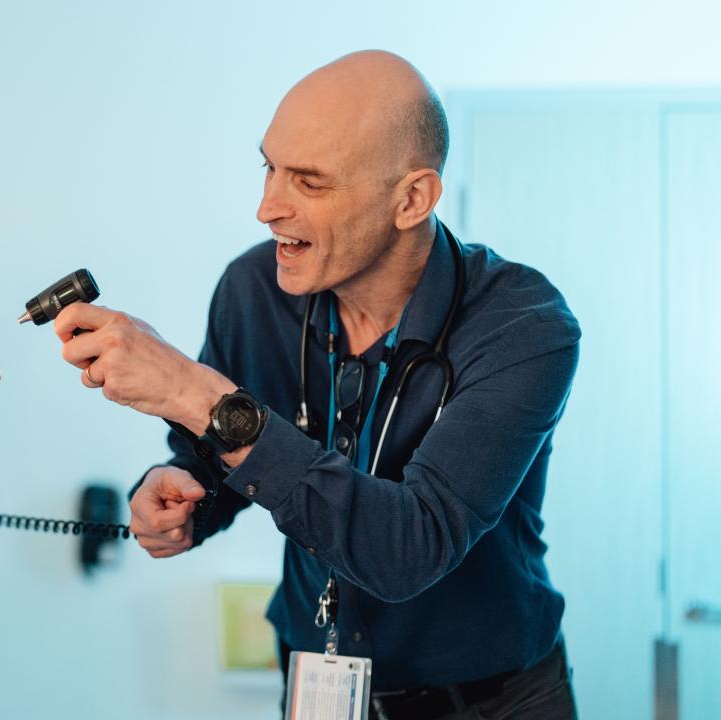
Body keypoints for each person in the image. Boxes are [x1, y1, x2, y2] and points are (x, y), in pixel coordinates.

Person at [54, 51, 581, 718]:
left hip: (490, 701)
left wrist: (195, 393)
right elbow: (214, 456)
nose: (267, 207)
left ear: (411, 199)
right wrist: (185, 496)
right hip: (317, 685)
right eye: (268, 167)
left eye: (308, 181)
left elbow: (407, 550)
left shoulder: (522, 327)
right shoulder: (255, 290)